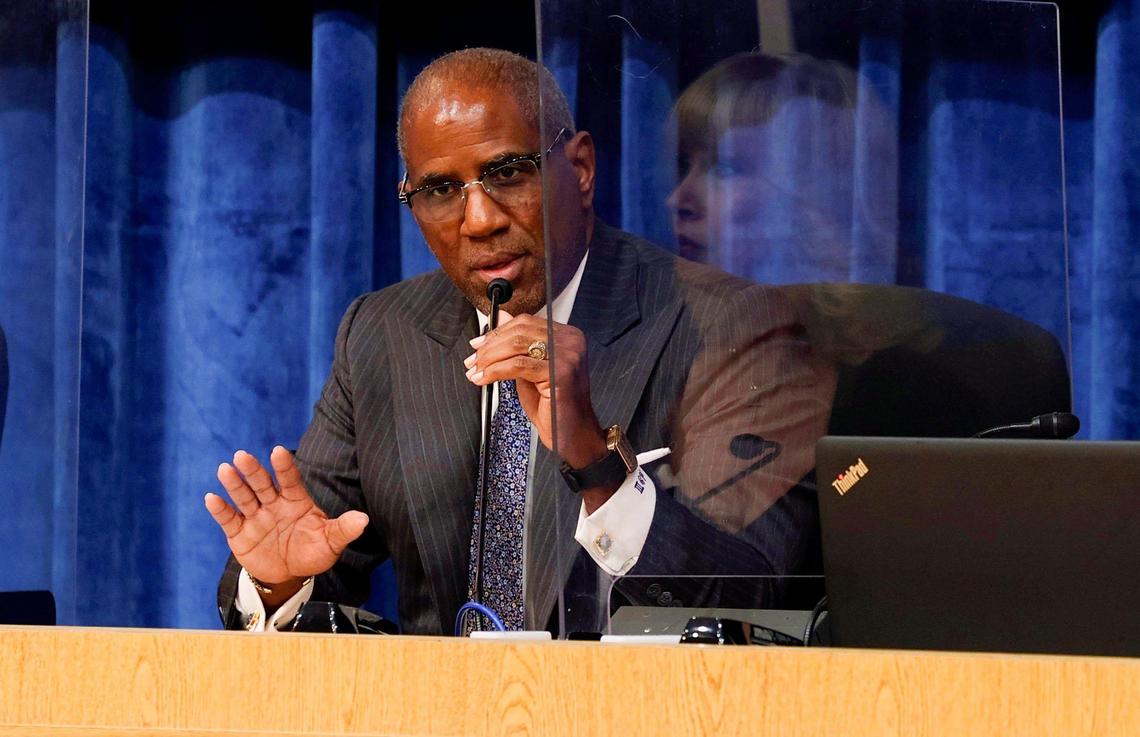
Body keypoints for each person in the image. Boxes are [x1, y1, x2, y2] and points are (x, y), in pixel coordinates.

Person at [206, 48, 835, 636]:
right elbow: (316, 554)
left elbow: (749, 599)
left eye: (507, 173)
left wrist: (596, 461)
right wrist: (278, 579)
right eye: (440, 190)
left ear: (580, 169)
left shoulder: (730, 325)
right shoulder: (383, 331)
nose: (479, 220)